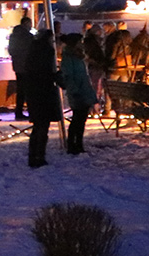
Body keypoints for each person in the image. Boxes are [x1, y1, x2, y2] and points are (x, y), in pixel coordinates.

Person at [22, 29, 62, 167]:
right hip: (44, 93)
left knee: (38, 126)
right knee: (43, 126)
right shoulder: (46, 52)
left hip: (33, 92)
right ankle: (39, 155)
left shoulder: (32, 51)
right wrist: (56, 76)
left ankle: (33, 154)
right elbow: (47, 73)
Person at [59, 34, 98, 155]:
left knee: (81, 120)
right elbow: (69, 76)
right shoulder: (69, 58)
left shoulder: (78, 56)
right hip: (78, 92)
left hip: (83, 90)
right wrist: (74, 91)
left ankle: (78, 144)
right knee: (77, 119)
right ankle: (73, 144)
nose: (82, 44)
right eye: (79, 42)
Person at [7, 13, 36, 120]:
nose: (31, 26)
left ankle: (19, 111)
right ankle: (30, 111)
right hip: (27, 66)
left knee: (21, 90)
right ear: (26, 23)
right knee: (28, 90)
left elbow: (11, 51)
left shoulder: (14, 36)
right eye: (30, 24)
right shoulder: (28, 37)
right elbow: (32, 50)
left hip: (18, 66)